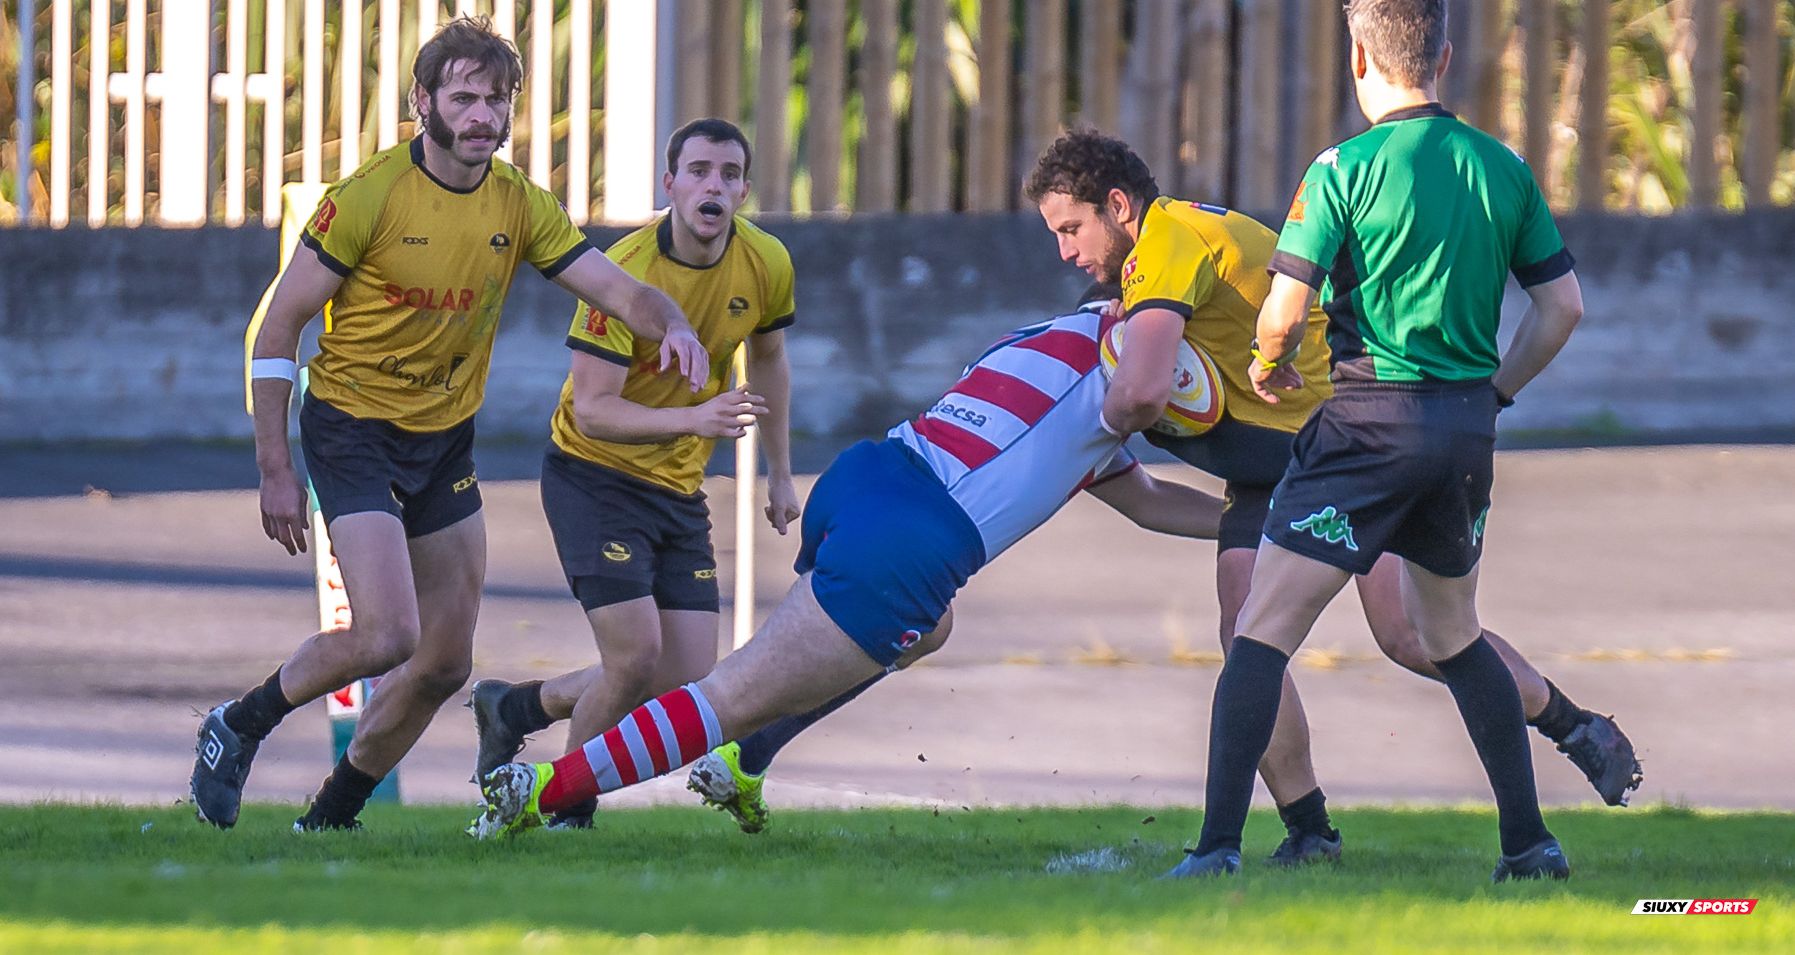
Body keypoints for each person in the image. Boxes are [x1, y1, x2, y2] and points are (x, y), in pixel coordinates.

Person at [1026, 129, 1636, 866]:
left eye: (1071, 228)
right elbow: (1160, 486)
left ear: (1117, 206)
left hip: (1345, 441)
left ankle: (1572, 725)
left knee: (1409, 633)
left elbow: (1144, 393)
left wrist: (1070, 435)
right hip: (1272, 464)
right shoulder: (1149, 261)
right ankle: (1309, 829)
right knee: (1242, 623)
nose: (1064, 250)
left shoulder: (1167, 239)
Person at [191, 16, 707, 832]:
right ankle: (237, 724)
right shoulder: (368, 197)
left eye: (496, 100)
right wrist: (274, 466)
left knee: (442, 664)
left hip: (443, 444)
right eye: (463, 97)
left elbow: (617, 290)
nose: (482, 117)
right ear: (421, 101)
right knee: (388, 633)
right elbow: (280, 325)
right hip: (352, 429)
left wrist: (671, 322)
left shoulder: (519, 204)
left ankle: (329, 820)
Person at [467, 305, 1226, 837]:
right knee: (725, 696)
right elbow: (1144, 403)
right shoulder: (1123, 380)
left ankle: (748, 756)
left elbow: (1149, 498)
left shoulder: (1067, 330)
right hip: (907, 538)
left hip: (868, 473)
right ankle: (538, 792)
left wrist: (1253, 523)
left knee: (927, 627)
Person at [1171, 0, 1587, 882]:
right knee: (1453, 636)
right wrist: (1496, 393)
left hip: (1366, 428)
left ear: (1359, 57)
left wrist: (1268, 363)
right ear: (1441, 57)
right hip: (1465, 434)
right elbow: (1561, 309)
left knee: (1261, 629)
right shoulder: (1502, 167)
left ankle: (1215, 851)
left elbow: (1283, 310)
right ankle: (1529, 844)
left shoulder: (1341, 171)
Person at [463, 118, 800, 829]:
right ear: (669, 184)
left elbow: (767, 359)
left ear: (744, 188)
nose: (715, 185)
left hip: (676, 489)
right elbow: (594, 412)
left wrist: (780, 472)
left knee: (680, 680)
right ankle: (562, 811)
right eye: (700, 170)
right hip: (594, 477)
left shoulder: (766, 261)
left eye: (730, 173)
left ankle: (516, 707)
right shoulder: (626, 272)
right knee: (634, 655)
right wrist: (697, 419)